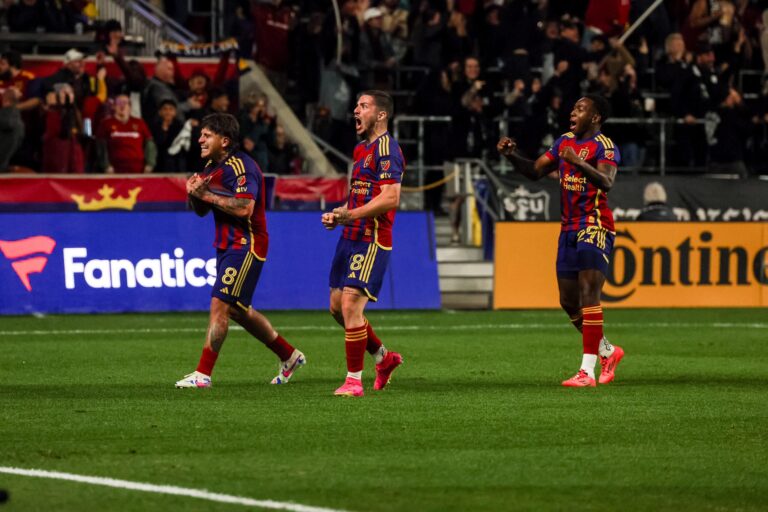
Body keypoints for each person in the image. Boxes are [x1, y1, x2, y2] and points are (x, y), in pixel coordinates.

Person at [497, 94, 624, 387]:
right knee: (568, 302)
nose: (572, 111)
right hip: (568, 227)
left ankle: (586, 372)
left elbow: (607, 182)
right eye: (573, 106)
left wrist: (578, 162)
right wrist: (512, 155)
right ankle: (608, 351)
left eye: (580, 108)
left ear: (595, 117)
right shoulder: (564, 141)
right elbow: (534, 171)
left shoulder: (605, 147)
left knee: (589, 291)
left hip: (595, 224)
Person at [175, 112, 305, 388]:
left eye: (206, 135)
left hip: (246, 243)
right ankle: (289, 355)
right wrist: (194, 193)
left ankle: (203, 375)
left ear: (224, 140)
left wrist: (206, 195)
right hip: (226, 244)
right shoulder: (211, 166)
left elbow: (246, 207)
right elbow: (201, 211)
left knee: (219, 304)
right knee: (237, 310)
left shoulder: (241, 167)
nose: (199, 139)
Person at [321, 90, 404, 397]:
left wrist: (351, 214)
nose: (355, 110)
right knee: (335, 308)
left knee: (351, 305)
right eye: (356, 105)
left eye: (363, 106)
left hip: (372, 239)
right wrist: (340, 212)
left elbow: (391, 197)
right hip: (350, 235)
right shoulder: (360, 151)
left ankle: (353, 381)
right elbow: (359, 192)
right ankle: (383, 358)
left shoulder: (388, 149)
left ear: (381, 115)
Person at [96, 94, 156, 174]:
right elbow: (101, 147)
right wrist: (106, 165)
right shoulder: (106, 124)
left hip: (138, 170)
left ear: (130, 107)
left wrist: (150, 164)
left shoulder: (140, 123)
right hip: (114, 171)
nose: (122, 106)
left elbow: (150, 145)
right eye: (119, 103)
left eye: (125, 103)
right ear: (113, 106)